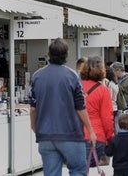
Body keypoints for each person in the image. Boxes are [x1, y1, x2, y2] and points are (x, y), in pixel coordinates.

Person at [29, 38, 96, 176]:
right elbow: (80, 107)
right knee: (78, 170)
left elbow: (33, 108)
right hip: (70, 134)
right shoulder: (72, 76)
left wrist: (35, 127)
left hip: (45, 135)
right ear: (66, 55)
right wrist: (90, 130)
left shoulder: (37, 76)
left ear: (49, 54)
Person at [80, 56, 114, 167]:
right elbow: (107, 118)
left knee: (77, 169)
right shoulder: (103, 90)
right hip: (95, 136)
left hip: (74, 135)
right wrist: (110, 138)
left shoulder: (76, 86)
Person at [103, 67, 119, 134]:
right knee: (114, 125)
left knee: (111, 125)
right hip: (115, 106)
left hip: (111, 107)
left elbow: (109, 96)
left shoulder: (110, 85)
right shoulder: (115, 84)